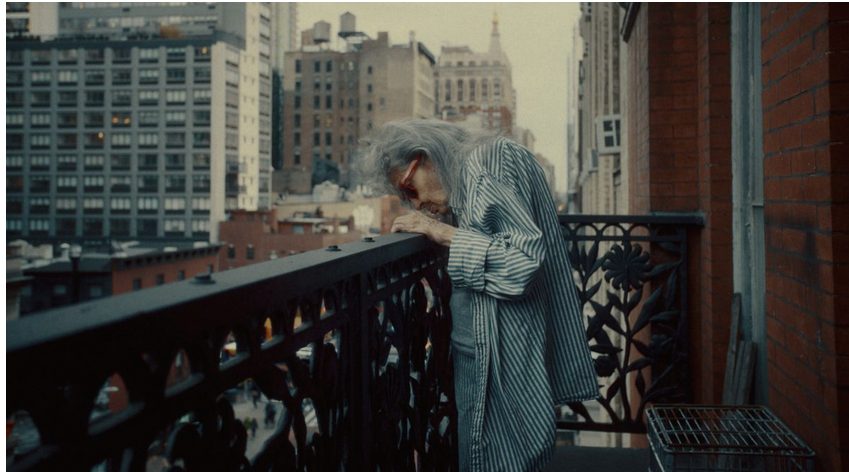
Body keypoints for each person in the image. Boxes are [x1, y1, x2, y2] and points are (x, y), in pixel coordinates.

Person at [361, 119, 599, 471]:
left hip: (502, 356)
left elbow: (522, 262)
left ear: (425, 157)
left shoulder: (486, 161)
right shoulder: (479, 167)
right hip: (492, 353)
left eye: (411, 189)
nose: (417, 204)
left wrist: (439, 231)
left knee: (499, 459)